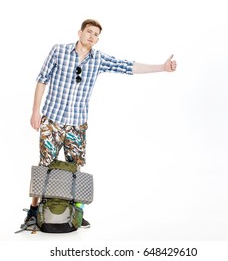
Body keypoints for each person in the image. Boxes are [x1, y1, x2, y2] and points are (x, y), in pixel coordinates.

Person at [25, 19, 177, 228]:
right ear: (79, 33)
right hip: (52, 121)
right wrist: (35, 111)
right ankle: (33, 211)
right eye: (89, 32)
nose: (92, 36)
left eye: (96, 34)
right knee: (44, 166)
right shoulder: (59, 51)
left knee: (76, 168)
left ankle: (76, 212)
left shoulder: (98, 60)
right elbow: (42, 79)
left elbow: (127, 66)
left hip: (77, 125)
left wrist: (162, 67)